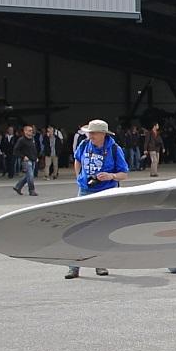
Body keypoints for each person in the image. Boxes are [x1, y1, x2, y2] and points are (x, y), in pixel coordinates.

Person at [66, 119, 129, 279]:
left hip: (106, 192)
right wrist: (79, 177)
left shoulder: (114, 149)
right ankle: (73, 266)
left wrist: (110, 176)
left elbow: (124, 174)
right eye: (89, 133)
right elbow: (77, 160)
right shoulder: (84, 145)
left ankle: (100, 264)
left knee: (101, 229)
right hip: (85, 190)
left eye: (93, 133)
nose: (90, 136)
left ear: (103, 134)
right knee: (78, 228)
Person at [12, 124, 39, 196]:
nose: (31, 132)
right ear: (25, 131)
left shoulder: (32, 139)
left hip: (33, 159)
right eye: (29, 131)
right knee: (30, 175)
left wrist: (36, 157)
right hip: (26, 161)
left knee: (28, 175)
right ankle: (31, 190)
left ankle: (18, 186)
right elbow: (15, 150)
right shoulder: (21, 140)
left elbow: (34, 149)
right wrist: (23, 156)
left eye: (31, 131)